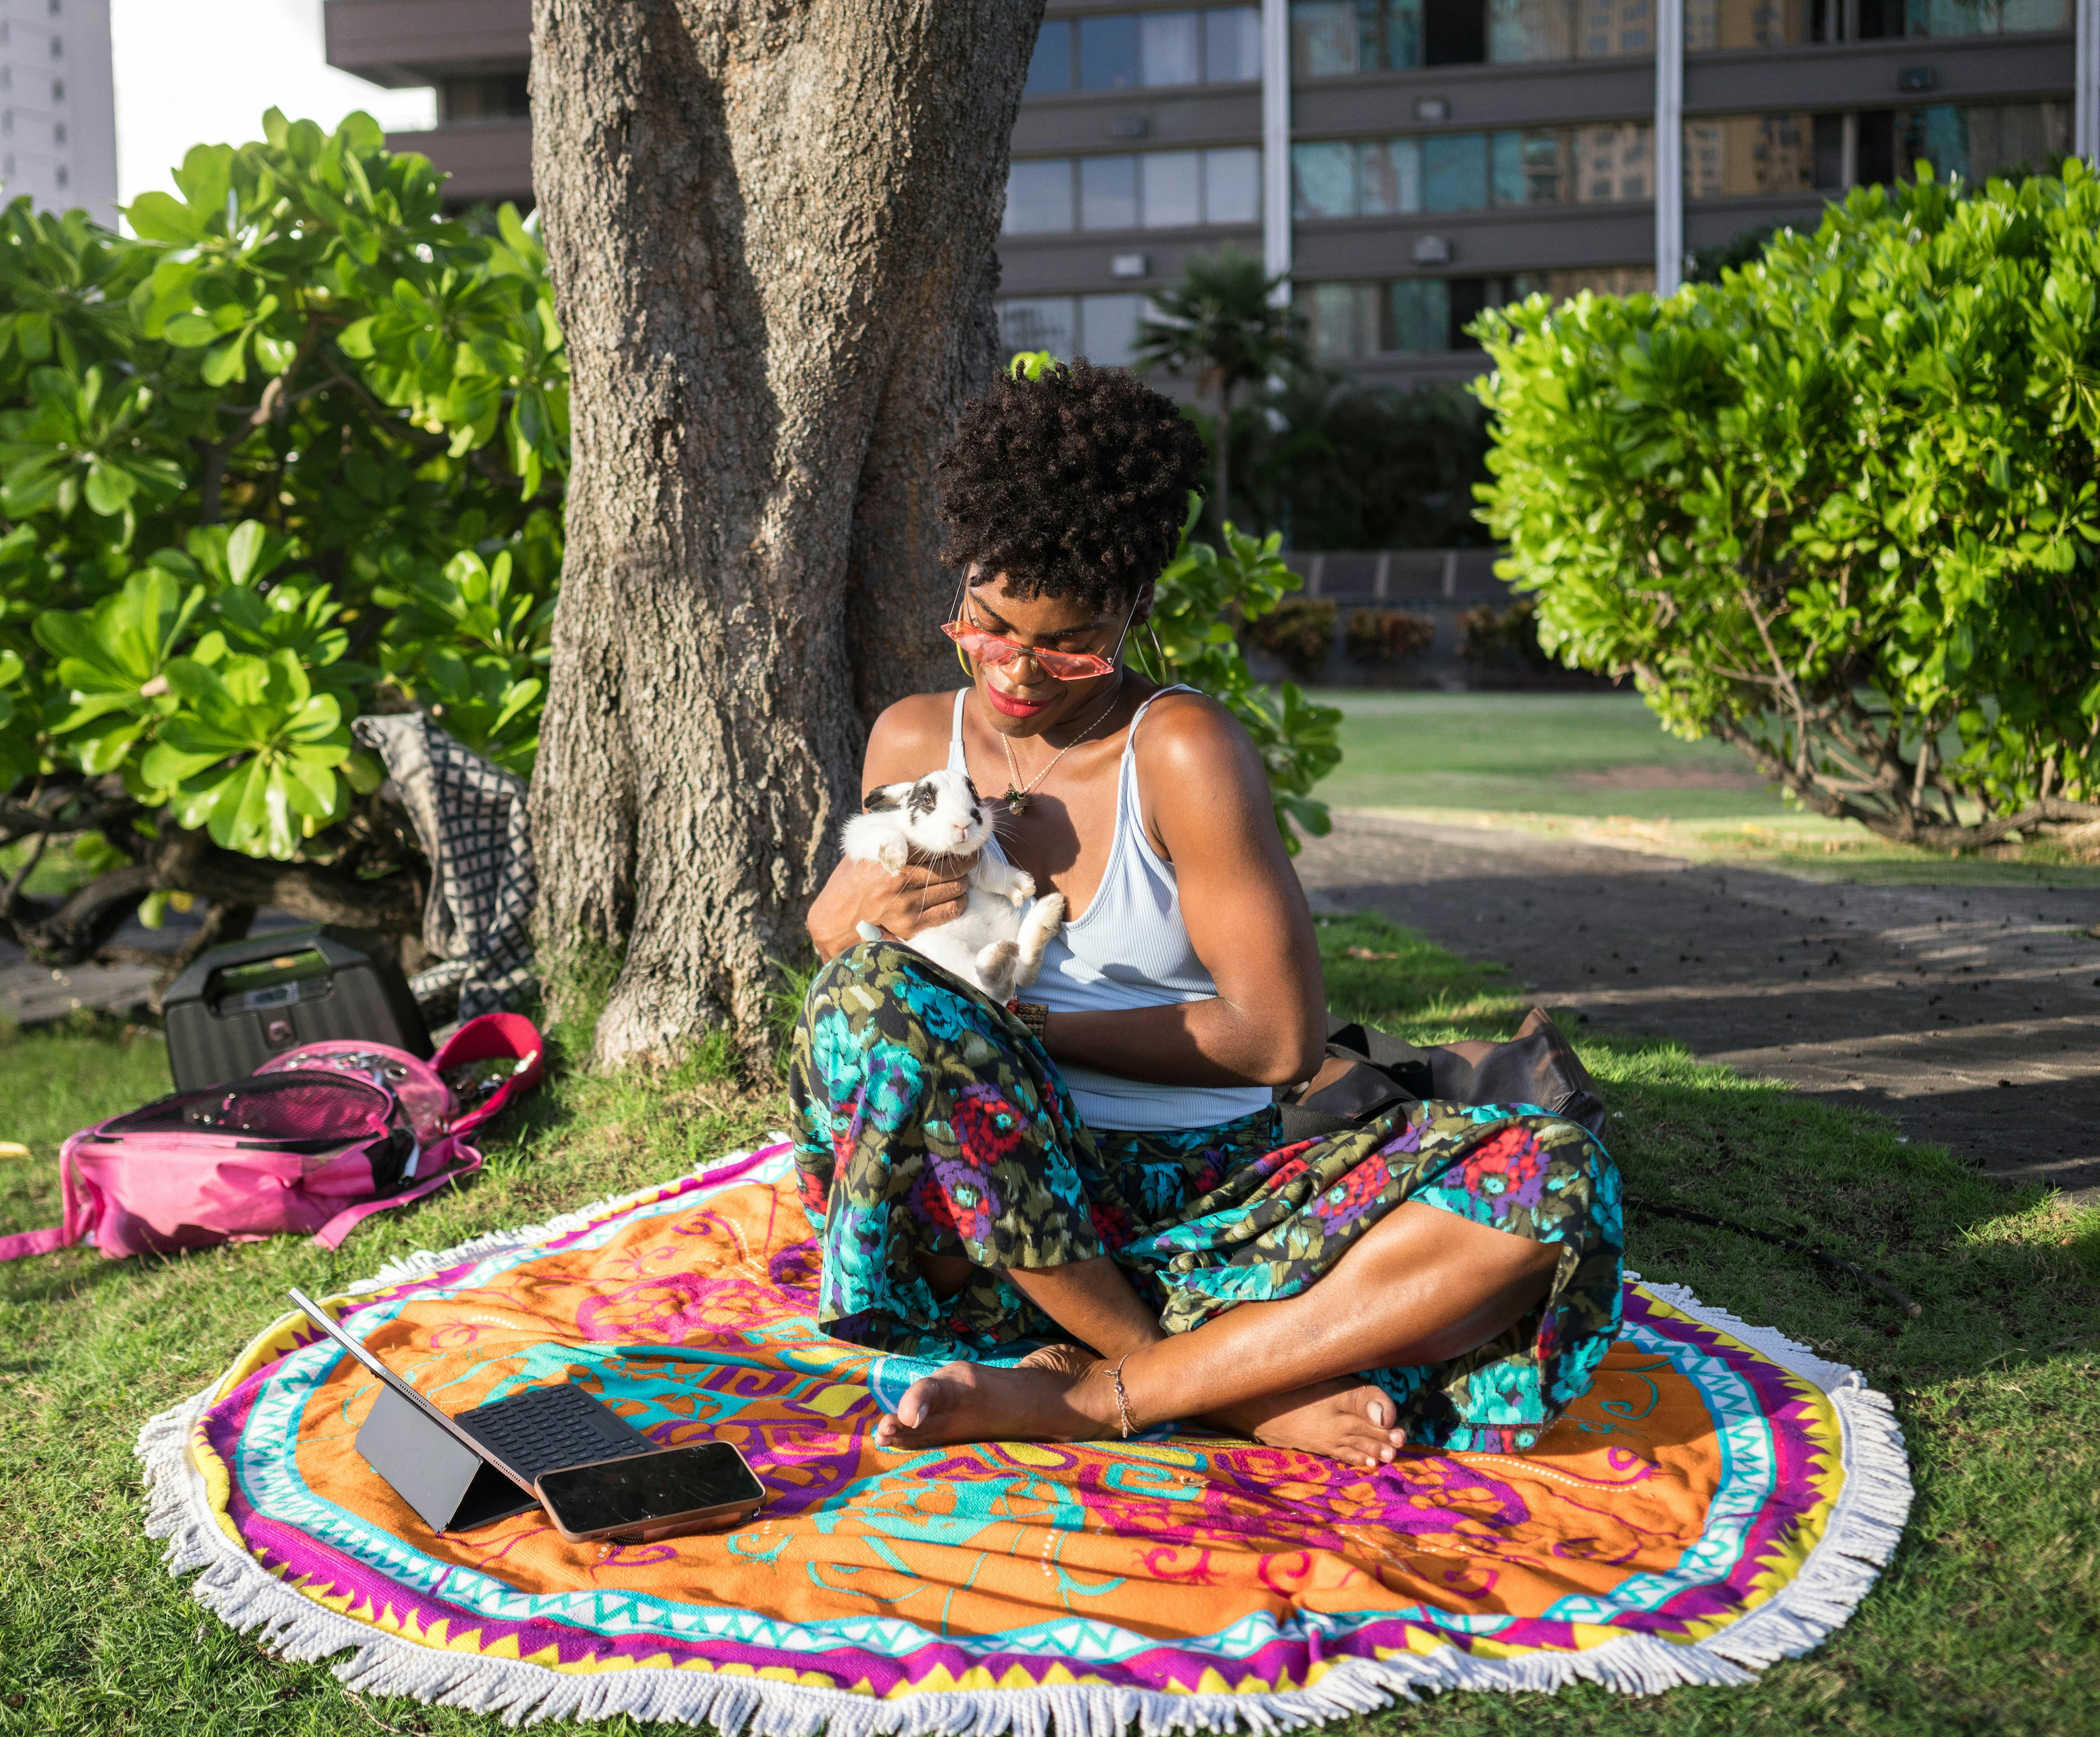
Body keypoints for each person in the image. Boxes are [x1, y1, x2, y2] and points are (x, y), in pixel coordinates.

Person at [791, 361, 1620, 1465]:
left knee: (1553, 1183)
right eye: (988, 632)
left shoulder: (1179, 751)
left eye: (1068, 645)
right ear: (960, 587)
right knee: (876, 999)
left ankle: (1100, 1392)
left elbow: (1274, 1043)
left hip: (1196, 1197)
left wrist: (1022, 1035)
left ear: (1134, 612)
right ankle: (1231, 1387)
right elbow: (872, 997)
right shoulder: (909, 740)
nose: (1020, 677)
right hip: (979, 1215)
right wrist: (827, 923)